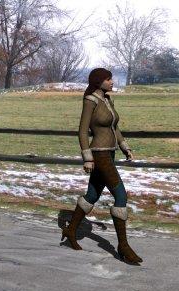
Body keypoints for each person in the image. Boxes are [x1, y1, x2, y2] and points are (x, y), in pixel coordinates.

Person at [61, 67, 143, 264]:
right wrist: (87, 158)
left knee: (92, 195)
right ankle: (123, 246)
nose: (112, 82)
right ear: (98, 81)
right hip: (99, 155)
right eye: (108, 79)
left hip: (110, 153)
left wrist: (125, 147)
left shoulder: (107, 100)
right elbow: (82, 131)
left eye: (111, 79)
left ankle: (70, 230)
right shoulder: (91, 101)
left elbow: (115, 128)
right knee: (121, 195)